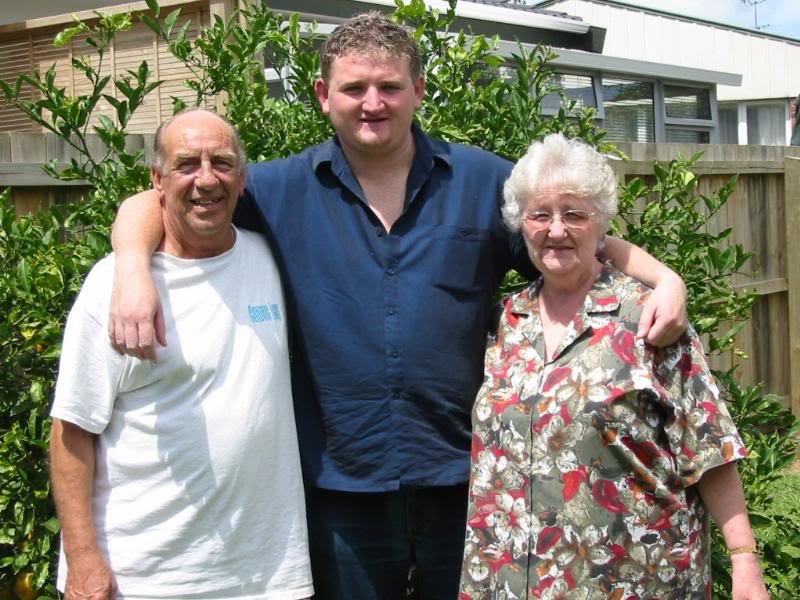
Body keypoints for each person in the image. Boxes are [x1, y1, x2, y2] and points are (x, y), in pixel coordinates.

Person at [108, 13, 688, 600]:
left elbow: (570, 238)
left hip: (470, 481)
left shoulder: (482, 181)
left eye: (388, 87)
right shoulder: (279, 190)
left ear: (419, 91)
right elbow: (165, 197)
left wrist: (665, 279)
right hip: (342, 489)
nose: (372, 103)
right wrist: (133, 268)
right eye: (354, 88)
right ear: (322, 95)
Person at [459, 133, 769, 599]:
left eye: (575, 214)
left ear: (601, 223)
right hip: (509, 580)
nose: (556, 230)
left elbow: (711, 453)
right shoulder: (505, 321)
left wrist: (745, 565)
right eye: (540, 214)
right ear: (521, 224)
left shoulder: (647, 318)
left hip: (633, 580)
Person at [49, 109, 313, 600]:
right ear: (156, 179)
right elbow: (71, 432)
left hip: (268, 573)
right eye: (187, 164)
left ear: (243, 178)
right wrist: (83, 560)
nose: (206, 179)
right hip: (146, 576)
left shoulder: (271, 257)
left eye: (223, 163)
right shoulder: (113, 286)